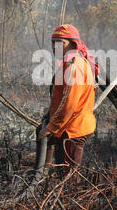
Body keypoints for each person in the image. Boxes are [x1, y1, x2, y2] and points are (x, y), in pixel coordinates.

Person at [37, 24, 99, 178]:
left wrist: (50, 128)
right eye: (53, 43)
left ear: (72, 44)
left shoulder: (74, 66)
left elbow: (68, 104)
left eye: (60, 43)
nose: (54, 47)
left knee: (68, 179)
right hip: (68, 127)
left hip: (72, 130)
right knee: (64, 175)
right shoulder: (70, 63)